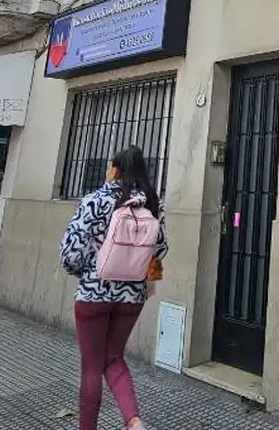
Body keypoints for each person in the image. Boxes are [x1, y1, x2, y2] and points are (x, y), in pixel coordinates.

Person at [60, 146, 167, 430]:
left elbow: (70, 253)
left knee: (91, 366)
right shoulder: (153, 205)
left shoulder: (94, 201)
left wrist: (88, 273)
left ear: (115, 170)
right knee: (114, 357)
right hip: (132, 297)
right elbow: (160, 249)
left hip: (93, 295)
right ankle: (134, 421)